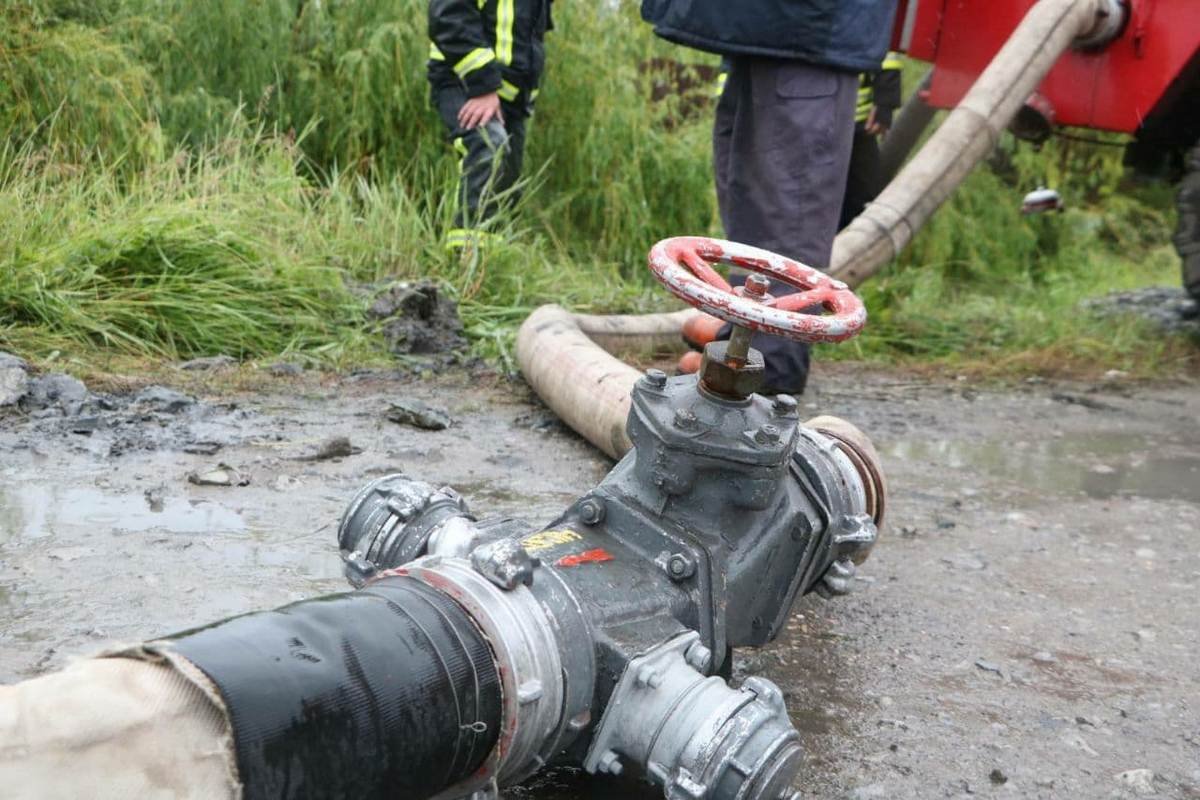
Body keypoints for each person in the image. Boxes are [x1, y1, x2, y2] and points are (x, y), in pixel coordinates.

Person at [642, 0, 899, 394]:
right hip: (772, 29)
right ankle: (742, 344)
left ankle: (764, 371)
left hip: (808, 30)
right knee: (750, 200)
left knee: (786, 209)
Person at [428, 0, 552, 250]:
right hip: (465, 83)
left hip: (510, 99)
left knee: (505, 185)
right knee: (488, 147)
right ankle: (464, 260)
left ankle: (488, 265)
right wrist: (483, 85)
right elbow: (449, 17)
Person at [840, 53, 903, 230]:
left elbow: (887, 52)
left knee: (861, 200)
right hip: (807, 124)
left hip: (859, 129)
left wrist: (886, 99)